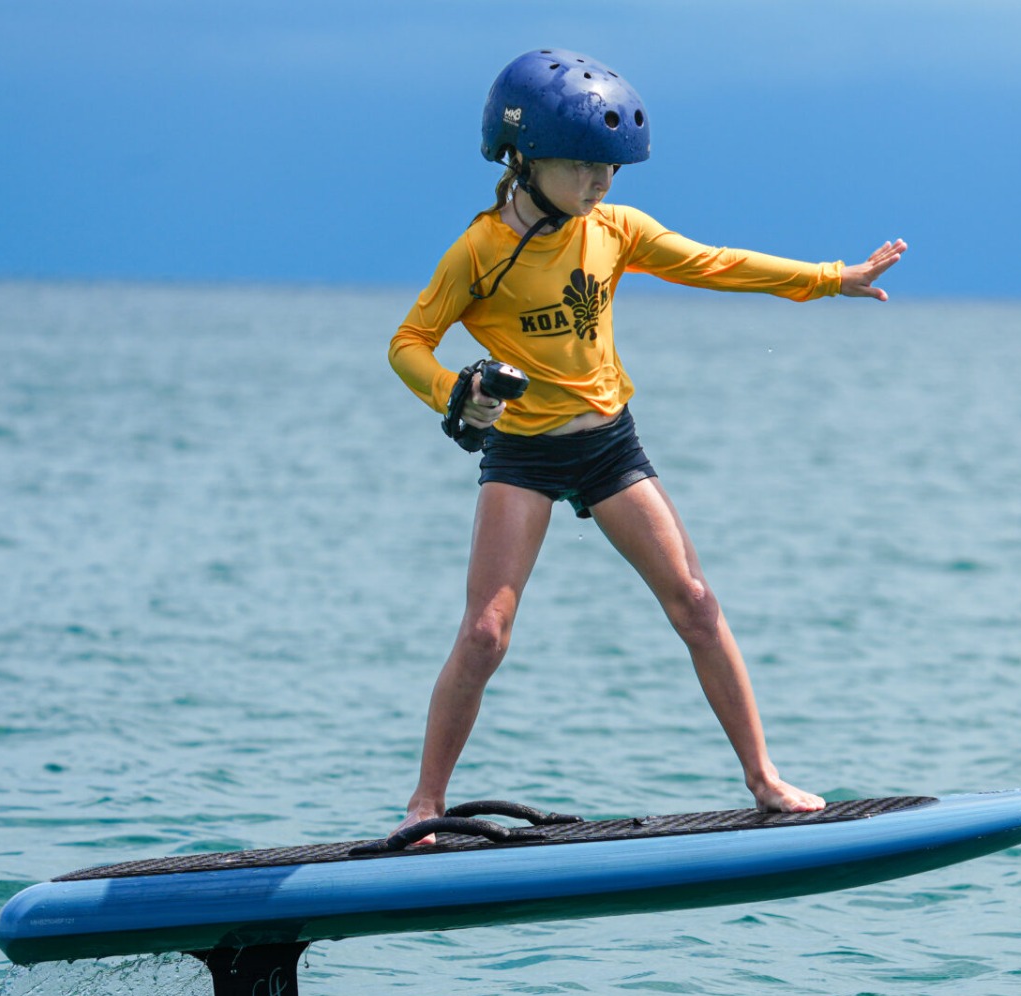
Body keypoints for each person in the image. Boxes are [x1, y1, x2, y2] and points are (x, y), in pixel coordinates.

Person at [387, 48, 906, 834]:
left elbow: (715, 263)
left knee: (696, 602)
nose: (600, 184)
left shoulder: (615, 231)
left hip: (607, 446)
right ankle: (425, 803)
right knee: (486, 632)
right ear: (524, 159)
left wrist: (832, 276)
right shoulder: (479, 252)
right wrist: (454, 391)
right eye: (583, 167)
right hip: (523, 456)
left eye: (611, 170)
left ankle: (764, 776)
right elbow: (408, 342)